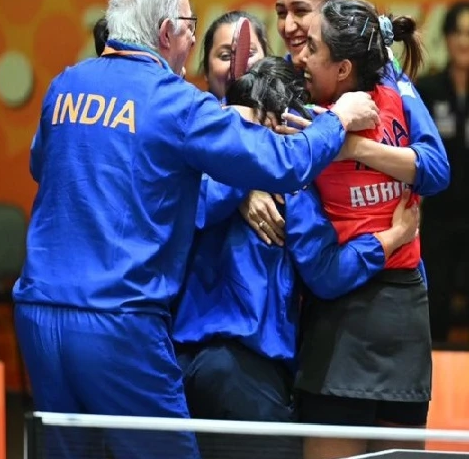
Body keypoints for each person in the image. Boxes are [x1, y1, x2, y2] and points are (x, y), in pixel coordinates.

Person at [13, 0, 380, 459]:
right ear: (167, 33)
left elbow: (45, 166)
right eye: (189, 28)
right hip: (119, 323)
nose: (190, 41)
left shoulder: (64, 86)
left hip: (37, 316)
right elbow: (284, 161)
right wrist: (339, 120)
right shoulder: (175, 103)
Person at [174, 55, 423, 459]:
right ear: (281, 124)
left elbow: (188, 213)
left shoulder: (194, 174)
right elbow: (326, 273)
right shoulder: (292, 190)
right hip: (247, 377)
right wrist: (391, 239)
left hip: (178, 371)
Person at [290, 0, 436, 459]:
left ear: (345, 67)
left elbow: (437, 168)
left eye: (312, 47)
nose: (300, 57)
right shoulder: (302, 123)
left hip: (401, 312)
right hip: (339, 313)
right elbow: (324, 275)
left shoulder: (398, 92)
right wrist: (393, 237)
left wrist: (352, 146)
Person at [241, 0, 449, 246]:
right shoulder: (273, 80)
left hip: (387, 276)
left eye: (301, 11)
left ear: (331, 11)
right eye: (281, 12)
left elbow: (435, 170)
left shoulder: (384, 73)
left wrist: (350, 148)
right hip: (313, 277)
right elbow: (229, 153)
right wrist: (244, 190)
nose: (287, 26)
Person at [414, 0, 469, 343]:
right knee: (435, 308)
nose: (465, 41)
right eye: (459, 33)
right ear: (447, 39)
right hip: (438, 217)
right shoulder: (428, 91)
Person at [197, 11, 270, 101]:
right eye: (225, 56)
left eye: (249, 53)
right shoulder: (196, 114)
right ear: (206, 70)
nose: (237, 66)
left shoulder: (287, 112)